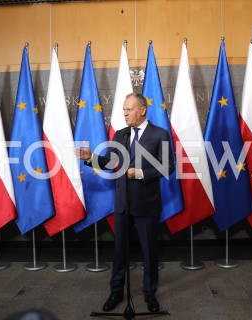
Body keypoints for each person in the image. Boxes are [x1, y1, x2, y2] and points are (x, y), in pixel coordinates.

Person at [76, 93, 174, 313]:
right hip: (122, 203)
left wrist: (140, 173)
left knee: (149, 252)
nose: (125, 114)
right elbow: (111, 162)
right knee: (120, 251)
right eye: (124, 110)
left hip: (146, 203)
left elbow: (168, 166)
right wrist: (90, 157)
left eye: (129, 109)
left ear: (142, 109)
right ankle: (116, 292)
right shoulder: (121, 135)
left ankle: (150, 293)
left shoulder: (160, 134)